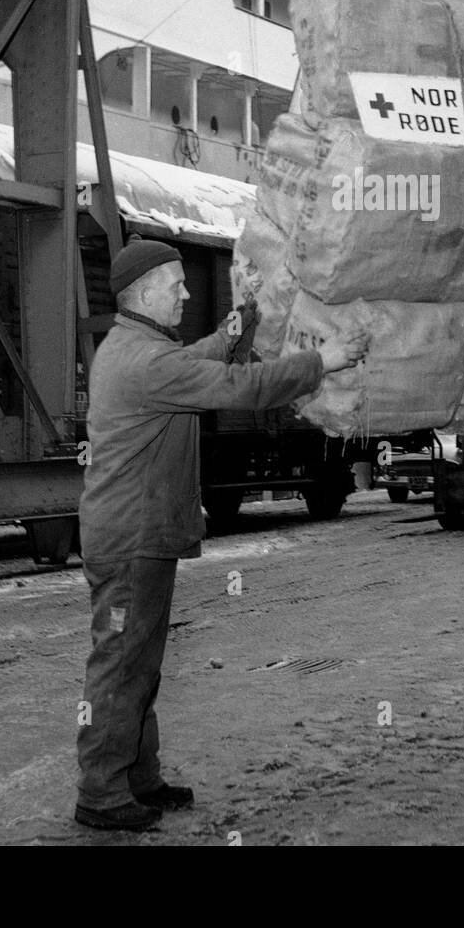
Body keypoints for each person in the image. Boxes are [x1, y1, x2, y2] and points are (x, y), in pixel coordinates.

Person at [75, 237, 368, 831]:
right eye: (177, 284)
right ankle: (101, 794)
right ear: (145, 292)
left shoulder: (142, 347)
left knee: (140, 663)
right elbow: (239, 388)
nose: (186, 292)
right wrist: (323, 361)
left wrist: (242, 322)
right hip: (132, 540)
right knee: (120, 664)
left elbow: (204, 358)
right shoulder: (147, 362)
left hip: (139, 535)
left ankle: (137, 776)